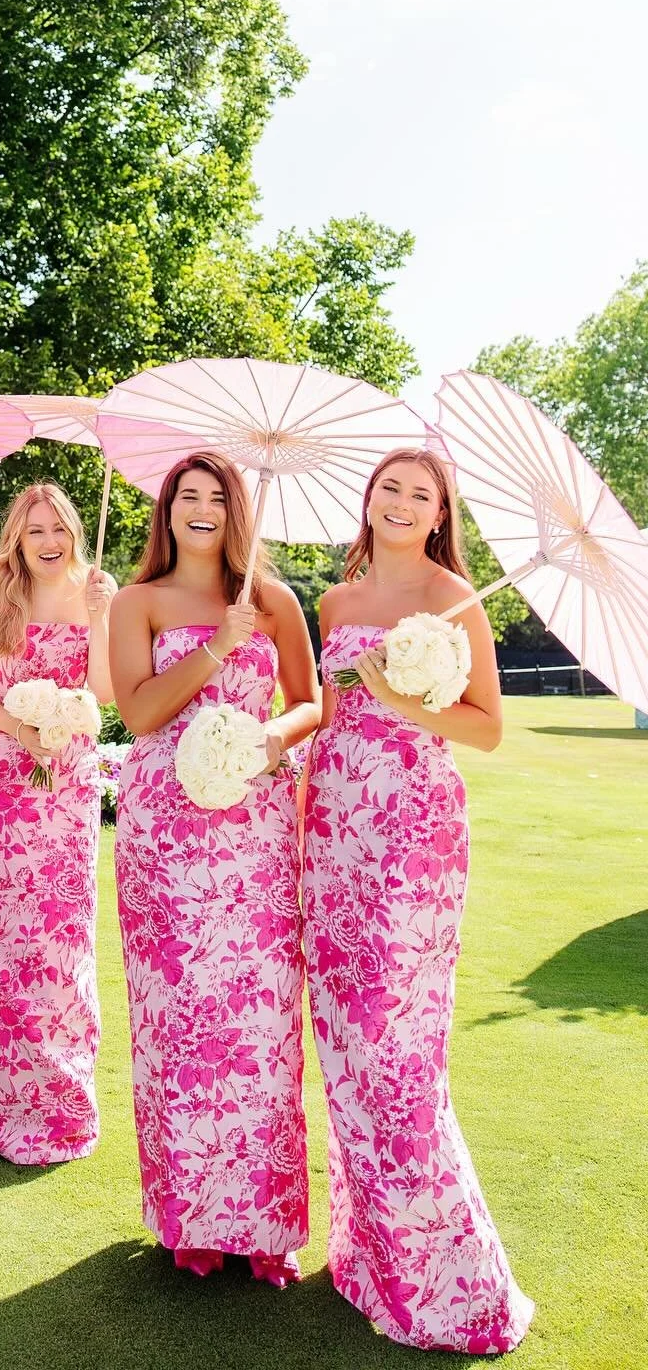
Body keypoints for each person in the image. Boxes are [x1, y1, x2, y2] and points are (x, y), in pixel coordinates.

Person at [305, 449, 533, 1351]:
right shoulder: (334, 602)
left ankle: (453, 1278)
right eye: (389, 488)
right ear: (369, 500)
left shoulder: (454, 600)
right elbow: (326, 713)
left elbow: (486, 728)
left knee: (397, 1053)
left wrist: (402, 698)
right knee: (347, 1045)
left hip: (412, 839)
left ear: (441, 514)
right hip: (332, 834)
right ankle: (370, 1254)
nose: (400, 503)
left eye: (420, 494)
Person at [110, 451, 318, 1288]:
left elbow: (311, 702)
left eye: (215, 497)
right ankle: (189, 1218)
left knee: (261, 1024)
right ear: (168, 514)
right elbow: (137, 711)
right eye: (186, 497)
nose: (201, 509)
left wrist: (272, 738)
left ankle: (265, 1224)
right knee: (179, 1018)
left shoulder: (275, 601)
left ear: (238, 512)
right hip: (166, 835)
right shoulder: (138, 602)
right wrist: (214, 650)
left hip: (257, 832)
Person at [0, 484, 115, 1164]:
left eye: (59, 529)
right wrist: (20, 728)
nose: (49, 541)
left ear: (75, 531)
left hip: (68, 786)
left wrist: (104, 619)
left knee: (60, 940)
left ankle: (63, 1096)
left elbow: (105, 693)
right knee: (4, 942)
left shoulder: (98, 588)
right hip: (1, 783)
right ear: (17, 537)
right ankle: (3, 1096)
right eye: (34, 530)